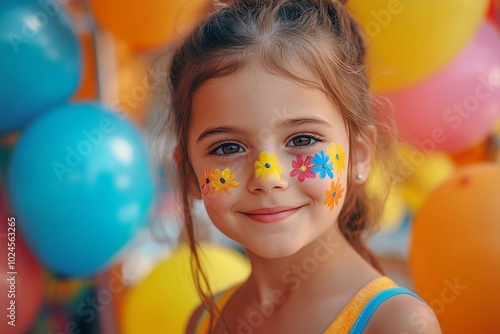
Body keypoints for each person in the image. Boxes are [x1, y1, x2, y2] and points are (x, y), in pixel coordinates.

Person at [162, 0, 442, 333]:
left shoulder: (396, 324)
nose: (268, 179)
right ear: (190, 173)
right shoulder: (204, 322)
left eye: (302, 140)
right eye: (228, 147)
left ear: (360, 154)